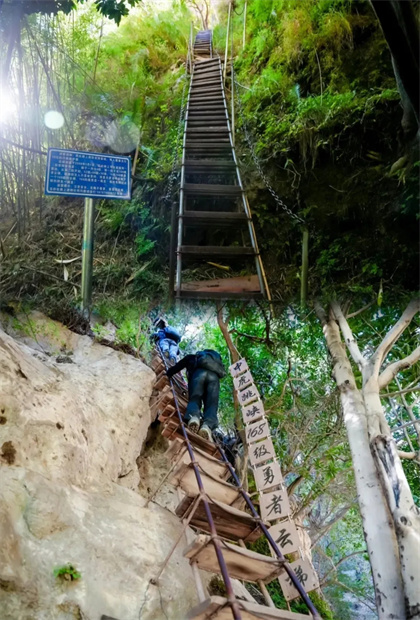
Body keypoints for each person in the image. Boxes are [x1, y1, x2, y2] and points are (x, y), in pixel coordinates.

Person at [166, 349, 226, 442]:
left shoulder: (193, 358)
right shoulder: (216, 366)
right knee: (211, 405)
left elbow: (178, 366)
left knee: (195, 399)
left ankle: (193, 417)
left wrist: (168, 373)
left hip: (199, 375)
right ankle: (207, 426)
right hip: (214, 379)